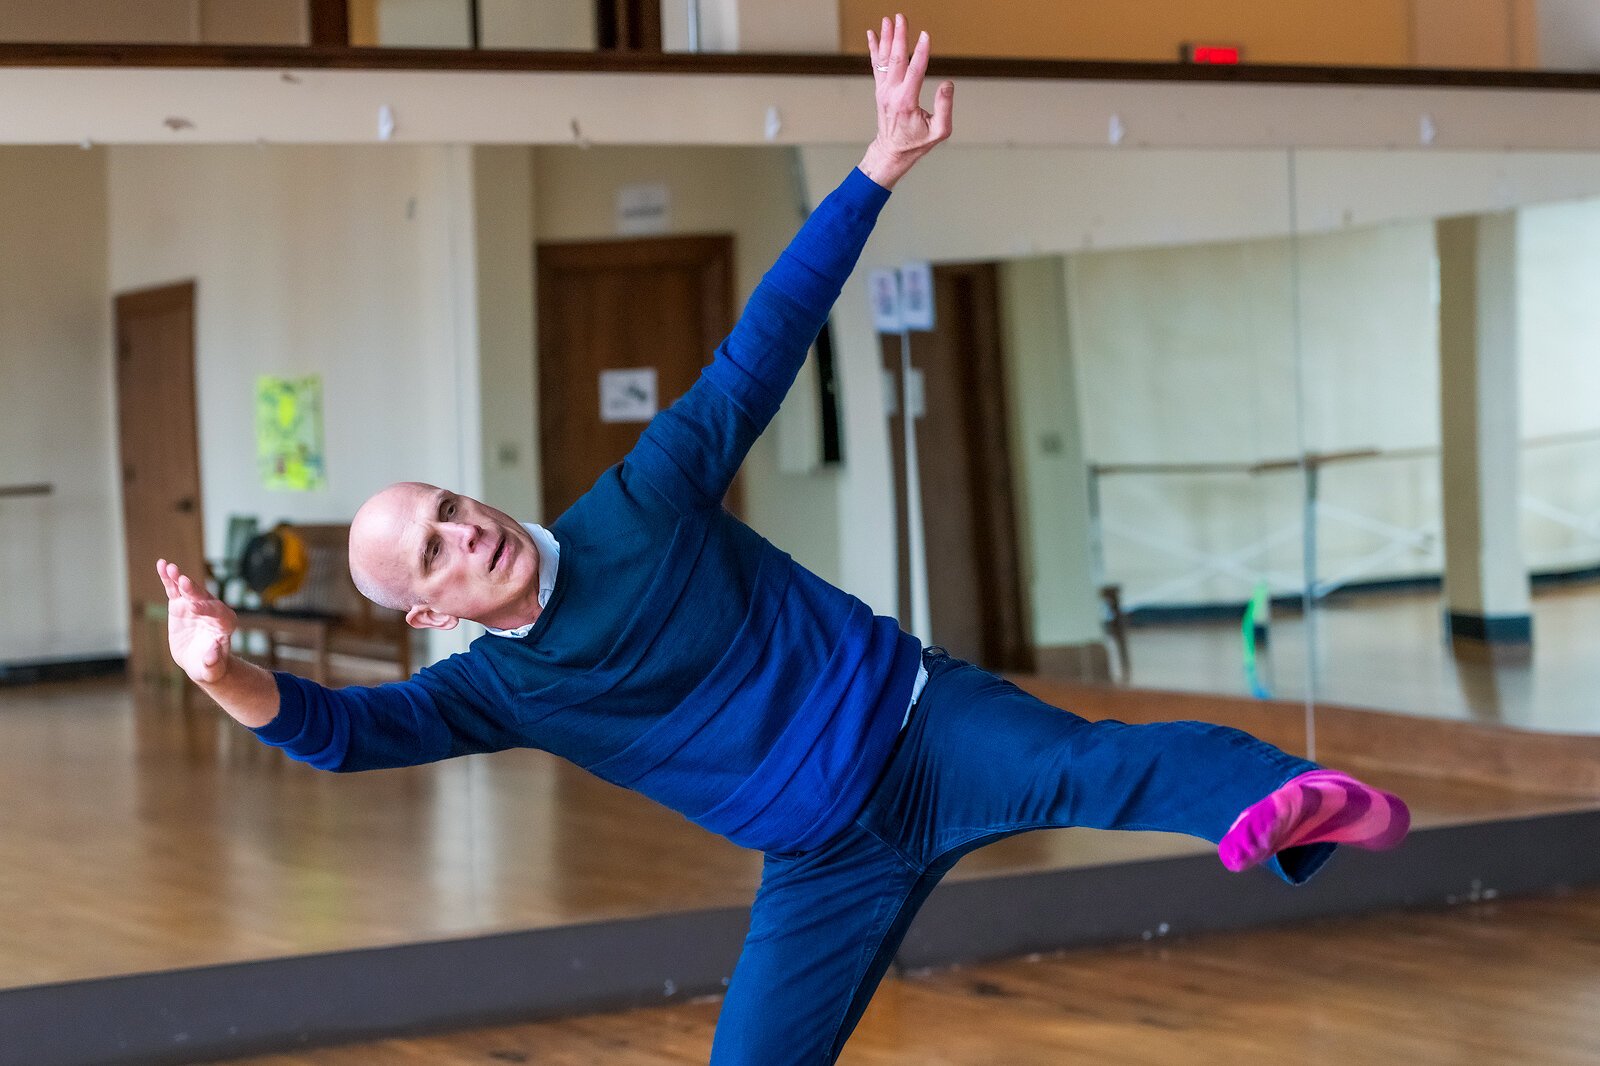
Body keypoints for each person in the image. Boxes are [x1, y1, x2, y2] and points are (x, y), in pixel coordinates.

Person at [156, 16, 1409, 1064]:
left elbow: (762, 344)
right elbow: (345, 737)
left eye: (445, 508)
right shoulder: (501, 690)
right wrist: (225, 675)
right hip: (821, 855)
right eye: (427, 554)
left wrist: (875, 166)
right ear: (425, 612)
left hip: (928, 730)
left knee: (1093, 764)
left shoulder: (641, 501)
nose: (458, 533)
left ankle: (1282, 799)